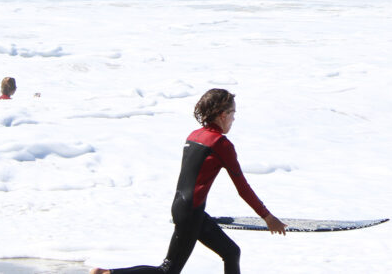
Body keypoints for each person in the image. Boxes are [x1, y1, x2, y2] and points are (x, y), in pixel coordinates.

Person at [90, 88, 286, 274]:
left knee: (231, 252)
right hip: (191, 212)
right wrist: (267, 217)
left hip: (185, 208)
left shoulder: (194, 136)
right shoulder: (221, 144)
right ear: (222, 115)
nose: (234, 118)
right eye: (233, 113)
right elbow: (242, 187)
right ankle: (107, 273)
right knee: (167, 270)